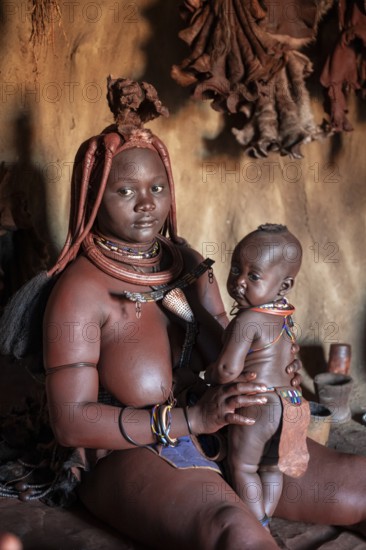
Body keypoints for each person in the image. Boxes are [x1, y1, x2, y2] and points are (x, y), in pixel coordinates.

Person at [2, 78, 366, 549]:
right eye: (125, 191)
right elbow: (71, 421)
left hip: (225, 429)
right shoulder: (80, 291)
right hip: (130, 449)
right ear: (94, 197)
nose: (147, 203)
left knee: (359, 483)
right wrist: (191, 420)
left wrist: (273, 364)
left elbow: (227, 346)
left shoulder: (189, 264)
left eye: (156, 187)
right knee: (234, 531)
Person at [205, 224, 310, 531]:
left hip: (259, 403)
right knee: (271, 467)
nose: (238, 281)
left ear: (284, 284)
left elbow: (227, 370)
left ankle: (256, 527)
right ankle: (265, 516)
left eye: (253, 275)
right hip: (291, 404)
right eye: (236, 268)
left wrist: (207, 373)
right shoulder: (284, 315)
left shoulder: (247, 320)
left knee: (243, 466)